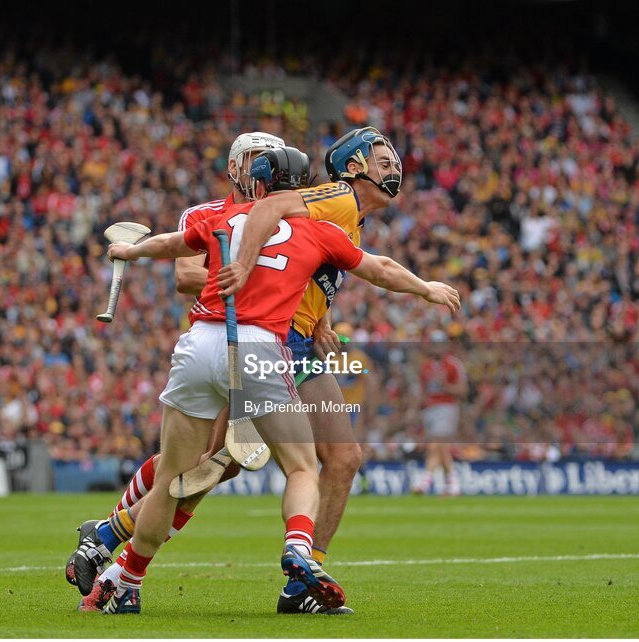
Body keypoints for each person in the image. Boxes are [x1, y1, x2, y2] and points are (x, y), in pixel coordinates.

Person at [95, 147, 460, 615]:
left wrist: (132, 249)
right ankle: (115, 543)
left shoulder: (237, 217)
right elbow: (374, 267)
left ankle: (125, 569)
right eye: (383, 161)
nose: (395, 170)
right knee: (232, 463)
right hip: (272, 344)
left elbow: (179, 244)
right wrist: (426, 288)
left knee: (305, 460)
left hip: (222, 341)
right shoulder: (333, 206)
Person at [66, 132, 285, 598]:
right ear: (233, 166)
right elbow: (187, 275)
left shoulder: (285, 217)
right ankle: (116, 558)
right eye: (254, 159)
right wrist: (257, 274)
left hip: (269, 341)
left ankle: (108, 541)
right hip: (220, 342)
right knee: (195, 464)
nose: (263, 168)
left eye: (271, 159)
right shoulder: (205, 214)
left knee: (222, 464)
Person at [414, 344, 468, 495]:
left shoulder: (453, 365)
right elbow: (422, 391)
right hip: (430, 409)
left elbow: (462, 390)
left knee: (435, 445)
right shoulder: (425, 367)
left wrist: (444, 385)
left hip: (447, 407)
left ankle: (425, 481)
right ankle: (452, 482)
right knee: (441, 447)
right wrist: (415, 410)